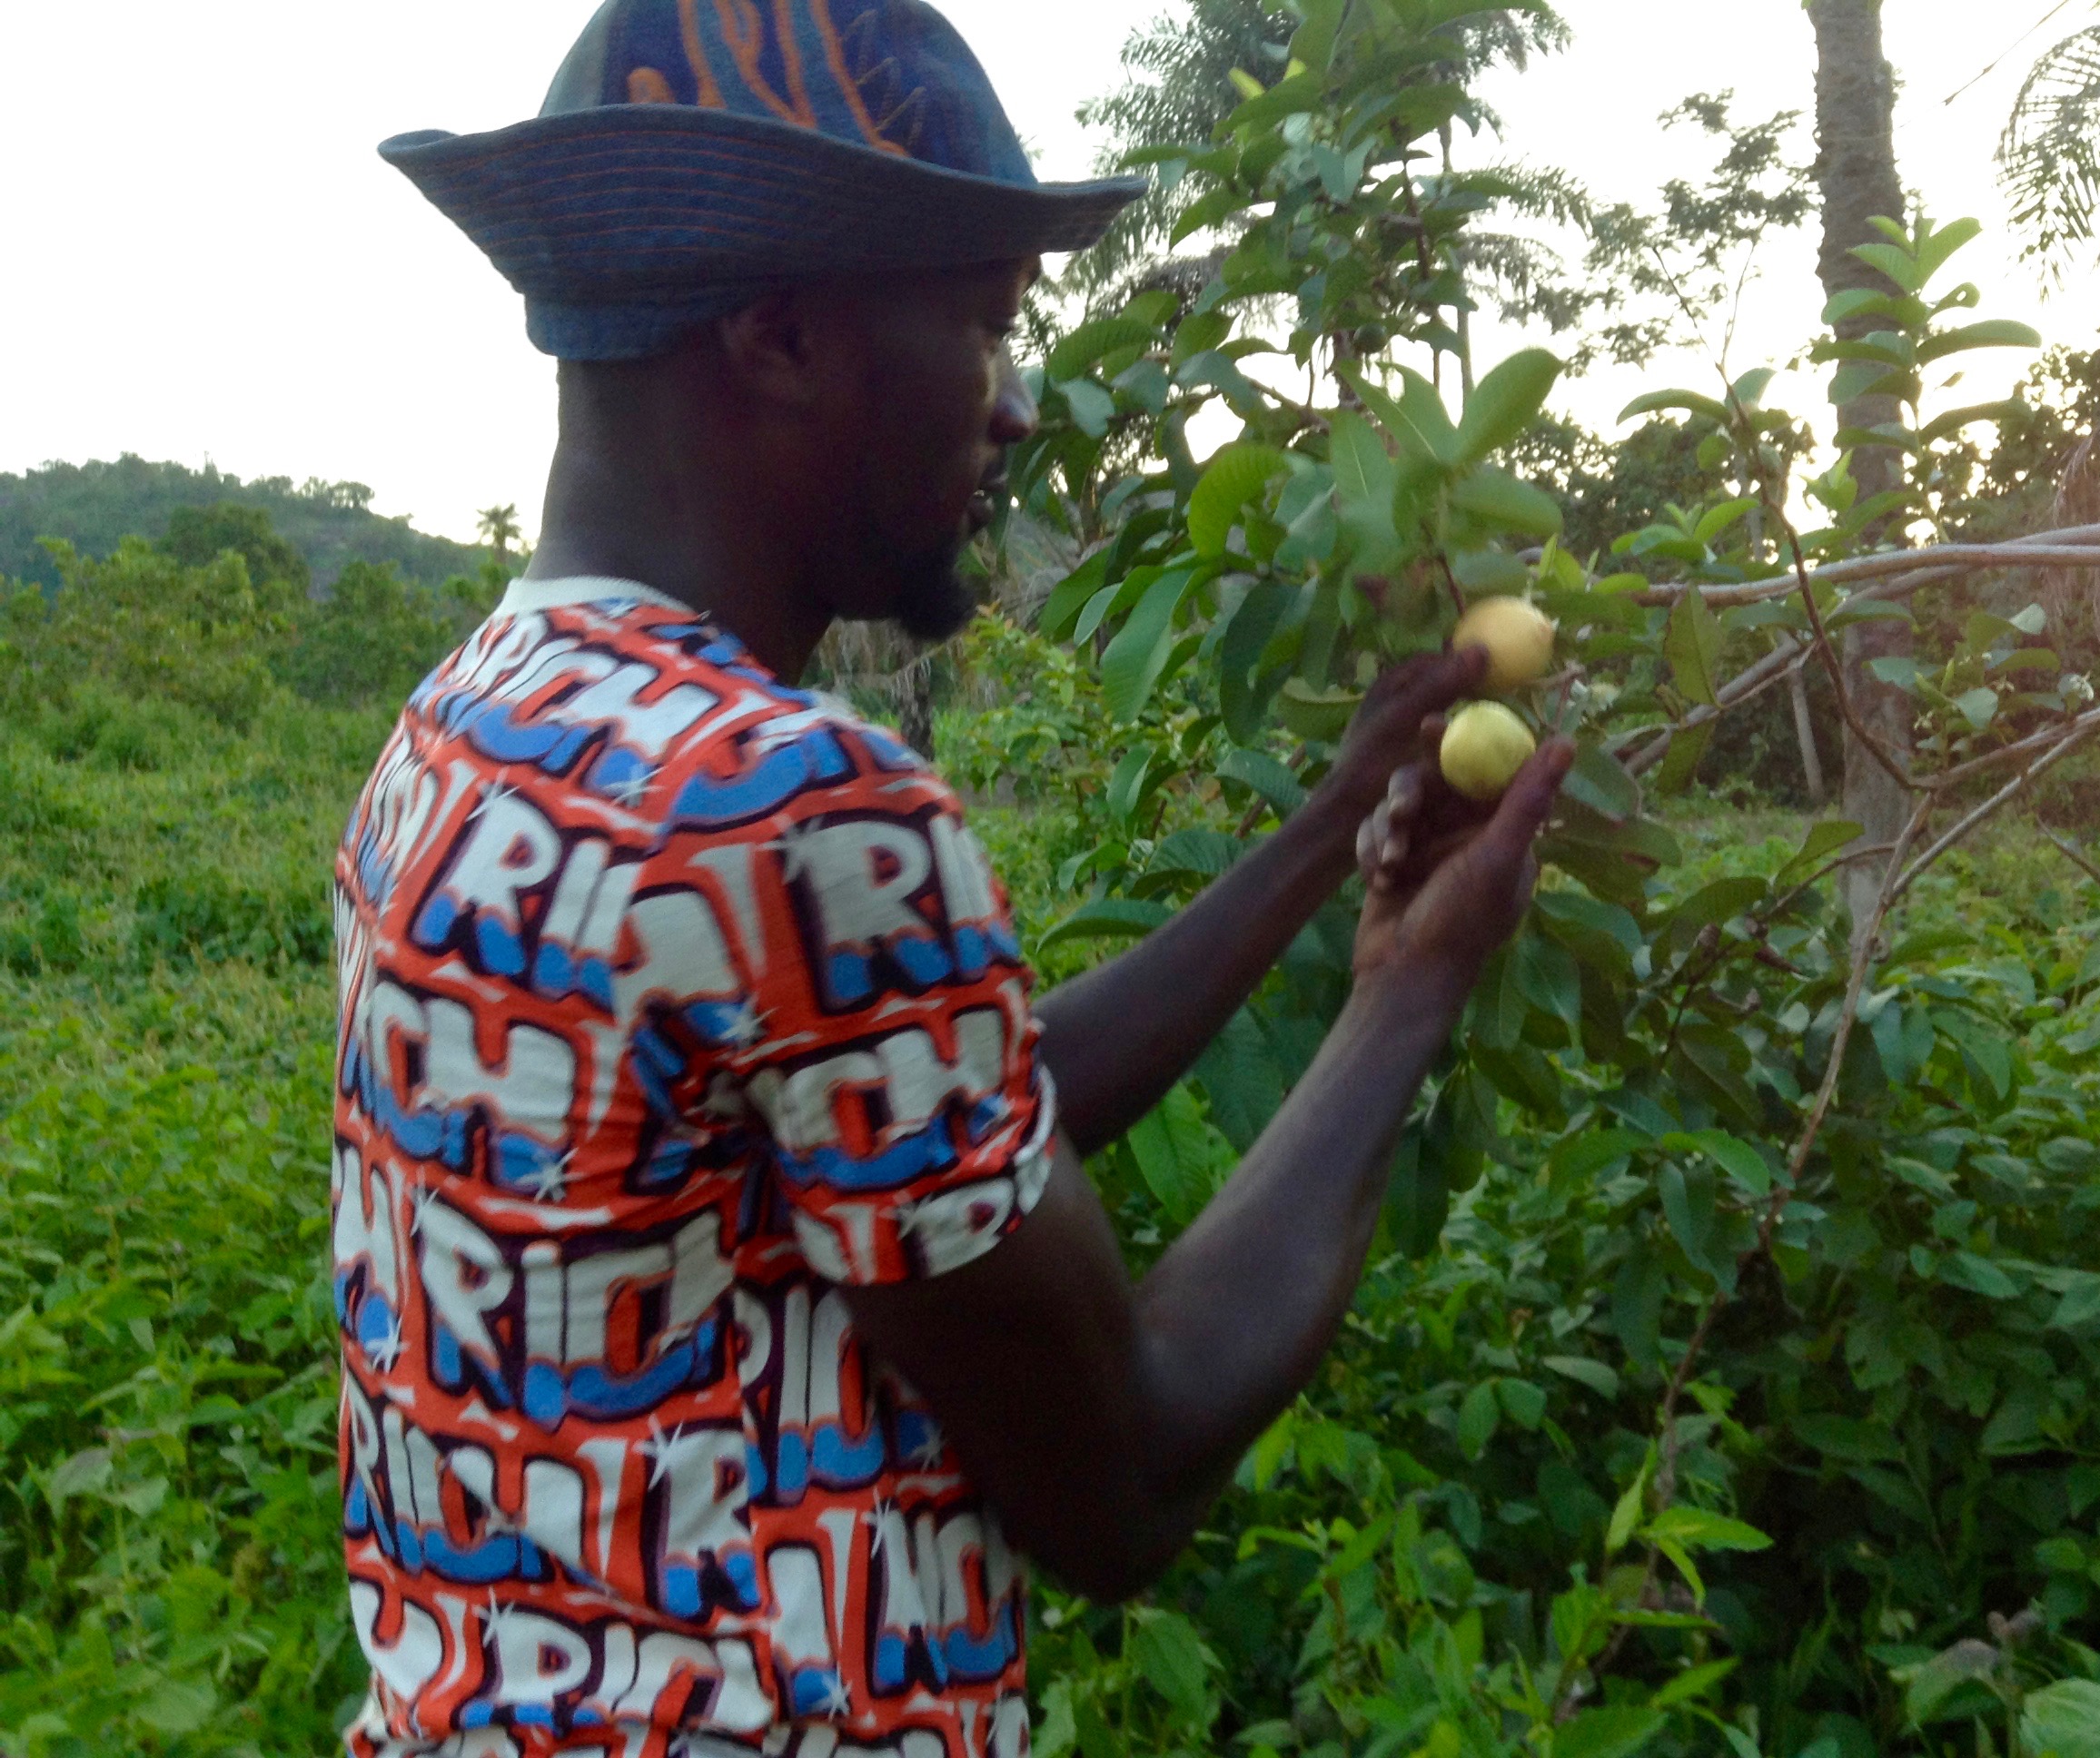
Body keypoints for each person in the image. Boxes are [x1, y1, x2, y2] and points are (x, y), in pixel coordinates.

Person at [335, 3, 1570, 1753]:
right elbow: (1125, 1478)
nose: (1011, 407)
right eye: (986, 325)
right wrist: (1409, 990)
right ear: (774, 335)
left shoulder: (473, 731)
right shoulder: (796, 801)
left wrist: (1327, 832)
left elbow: (931, 1115)